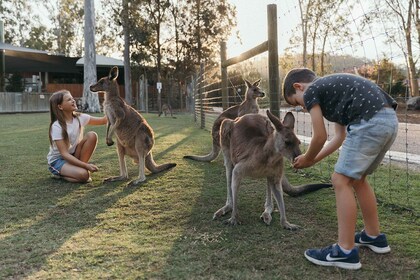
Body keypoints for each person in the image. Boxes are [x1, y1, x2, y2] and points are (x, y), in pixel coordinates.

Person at [282, 68, 398, 270]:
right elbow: (339, 137)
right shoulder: (333, 92)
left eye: (297, 102)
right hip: (388, 120)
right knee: (358, 178)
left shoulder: (312, 91)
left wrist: (308, 158)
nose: (302, 107)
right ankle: (374, 236)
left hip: (369, 121)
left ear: (298, 87)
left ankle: (345, 251)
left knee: (340, 180)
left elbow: (320, 136)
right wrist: (312, 160)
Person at [47, 90, 107, 183]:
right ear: (60, 106)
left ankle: (78, 169)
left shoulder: (80, 117)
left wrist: (115, 107)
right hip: (58, 161)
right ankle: (60, 174)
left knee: (92, 135)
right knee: (84, 175)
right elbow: (64, 154)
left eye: (72, 98)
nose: (73, 100)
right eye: (69, 100)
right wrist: (86, 166)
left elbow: (103, 120)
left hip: (74, 155)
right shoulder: (57, 126)